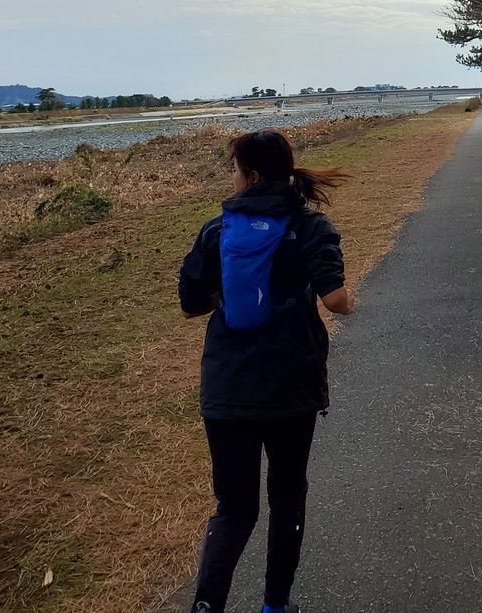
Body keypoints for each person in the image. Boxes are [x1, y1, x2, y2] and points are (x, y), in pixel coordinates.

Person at [178, 129, 354, 613]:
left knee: (234, 510)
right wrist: (348, 303)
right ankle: (275, 606)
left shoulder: (217, 230)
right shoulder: (312, 226)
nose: (232, 178)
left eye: (234, 170)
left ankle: (206, 607)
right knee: (287, 496)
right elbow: (336, 301)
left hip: (228, 388)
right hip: (291, 387)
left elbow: (191, 305)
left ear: (250, 175)